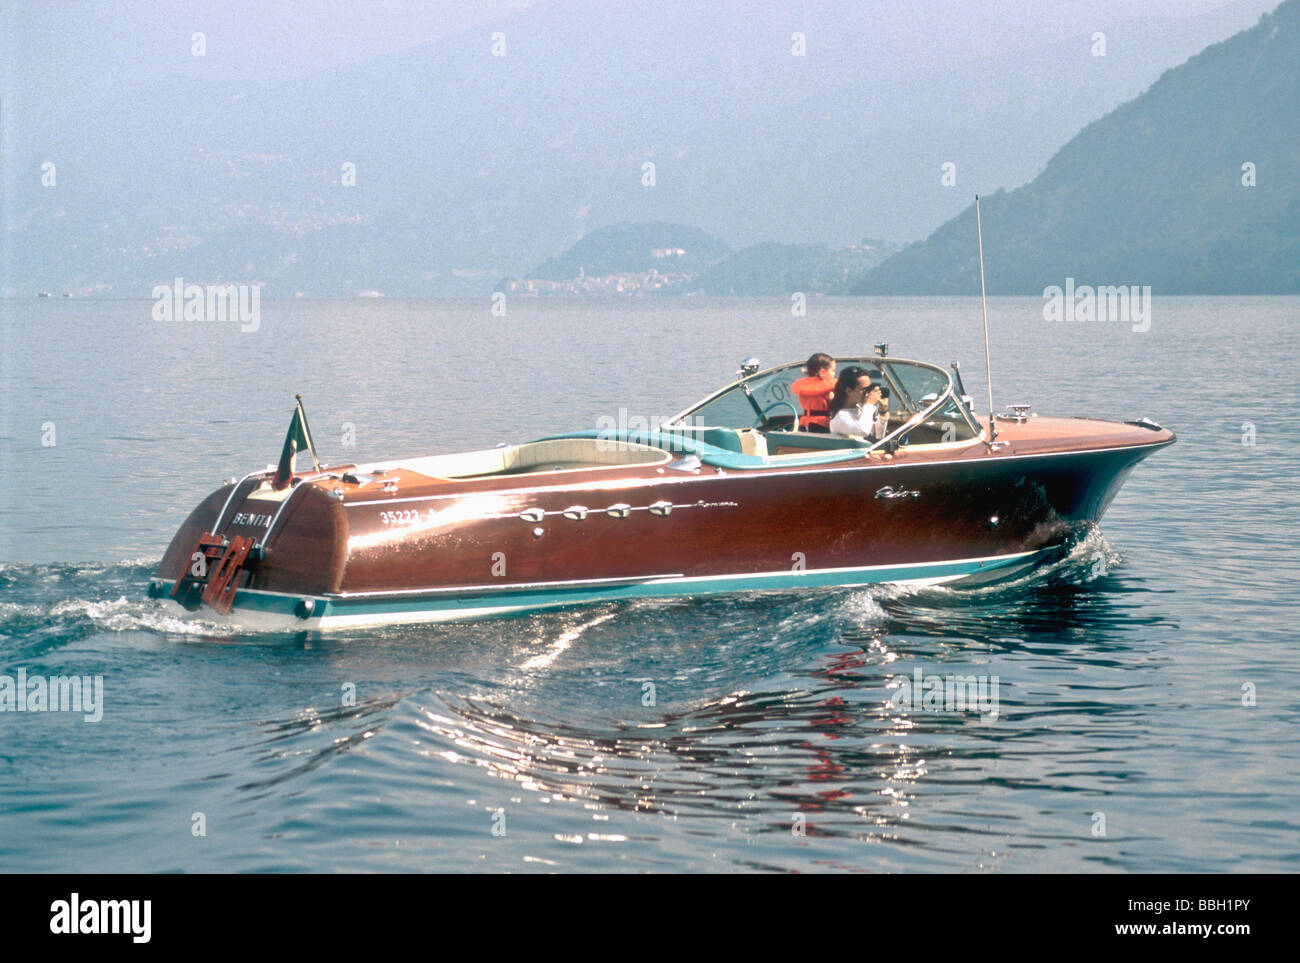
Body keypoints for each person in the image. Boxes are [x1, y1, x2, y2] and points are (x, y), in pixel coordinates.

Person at [829, 367, 889, 441]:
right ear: (849, 391)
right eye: (864, 390)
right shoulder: (839, 417)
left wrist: (883, 411)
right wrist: (869, 404)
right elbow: (863, 431)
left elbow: (879, 436)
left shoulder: (862, 410)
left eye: (869, 388)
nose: (868, 393)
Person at [790, 353, 836, 432]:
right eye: (833, 370)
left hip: (804, 424)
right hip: (822, 424)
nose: (834, 374)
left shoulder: (800, 385)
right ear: (822, 372)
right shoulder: (830, 386)